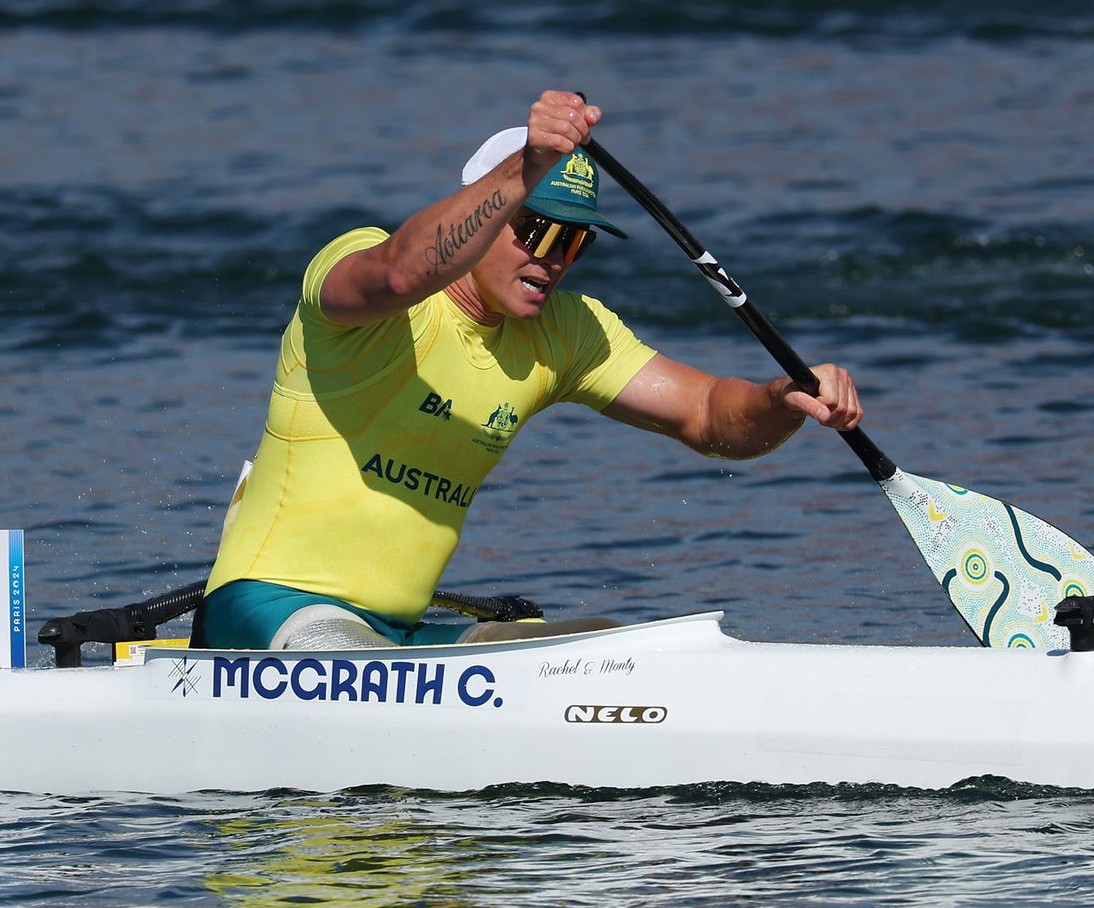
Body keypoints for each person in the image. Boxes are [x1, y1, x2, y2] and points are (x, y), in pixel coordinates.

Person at [202, 90, 863, 650]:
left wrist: (787, 395)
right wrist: (531, 164)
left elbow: (711, 415)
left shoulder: (563, 332)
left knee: (615, 652)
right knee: (341, 650)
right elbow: (404, 269)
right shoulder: (364, 280)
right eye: (538, 232)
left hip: (397, 637)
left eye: (574, 242)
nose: (553, 259)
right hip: (266, 612)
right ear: (486, 207)